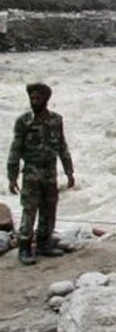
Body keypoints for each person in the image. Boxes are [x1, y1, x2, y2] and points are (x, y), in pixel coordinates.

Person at [7, 83, 74, 265]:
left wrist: (69, 172)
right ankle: (25, 247)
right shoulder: (24, 121)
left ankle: (45, 243)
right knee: (29, 209)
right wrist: (12, 177)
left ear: (46, 99)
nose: (34, 101)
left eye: (37, 98)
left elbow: (62, 147)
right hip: (31, 172)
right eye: (32, 98)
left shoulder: (56, 120)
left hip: (50, 172)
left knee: (49, 207)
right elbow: (15, 149)